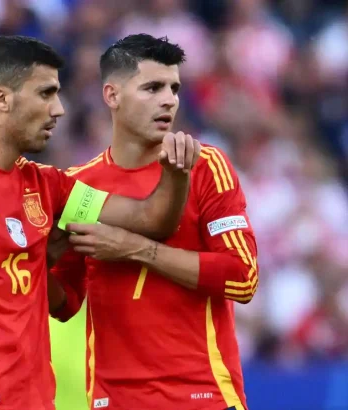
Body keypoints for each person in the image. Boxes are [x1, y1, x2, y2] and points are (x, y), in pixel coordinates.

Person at [0, 35, 200, 410]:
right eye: (46, 93)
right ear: (2, 99)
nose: (59, 109)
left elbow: (150, 218)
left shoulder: (47, 185)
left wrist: (177, 172)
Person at [50, 34, 258, 410]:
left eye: (174, 88)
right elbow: (64, 304)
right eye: (152, 88)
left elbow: (242, 278)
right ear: (112, 95)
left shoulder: (205, 166)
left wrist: (136, 249)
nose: (169, 100)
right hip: (114, 401)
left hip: (202, 397)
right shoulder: (78, 186)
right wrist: (29, 259)